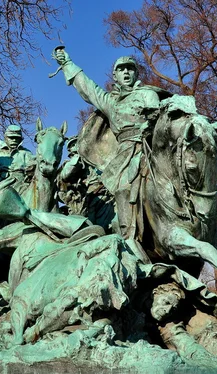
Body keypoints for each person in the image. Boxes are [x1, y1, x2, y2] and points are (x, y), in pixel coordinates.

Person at [54, 50, 170, 240]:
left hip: (152, 148)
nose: (126, 73)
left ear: (136, 74)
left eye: (130, 69)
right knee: (123, 189)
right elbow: (88, 89)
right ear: (115, 76)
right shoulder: (111, 102)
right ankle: (128, 236)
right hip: (125, 156)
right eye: (121, 70)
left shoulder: (148, 94)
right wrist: (68, 64)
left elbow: (159, 118)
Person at [0, 124, 34, 189]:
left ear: (20, 139)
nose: (14, 140)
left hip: (22, 183)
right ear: (5, 138)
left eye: (17, 138)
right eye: (11, 138)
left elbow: (33, 170)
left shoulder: (26, 153)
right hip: (1, 182)